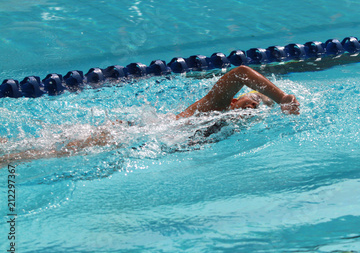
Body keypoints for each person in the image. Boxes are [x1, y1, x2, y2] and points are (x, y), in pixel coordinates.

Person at [0, 66, 299, 167]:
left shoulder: (230, 127)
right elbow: (241, 73)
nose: (253, 107)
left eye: (259, 108)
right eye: (252, 100)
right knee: (53, 151)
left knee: (58, 144)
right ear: (236, 98)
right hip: (137, 133)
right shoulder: (216, 105)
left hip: (144, 138)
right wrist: (281, 98)